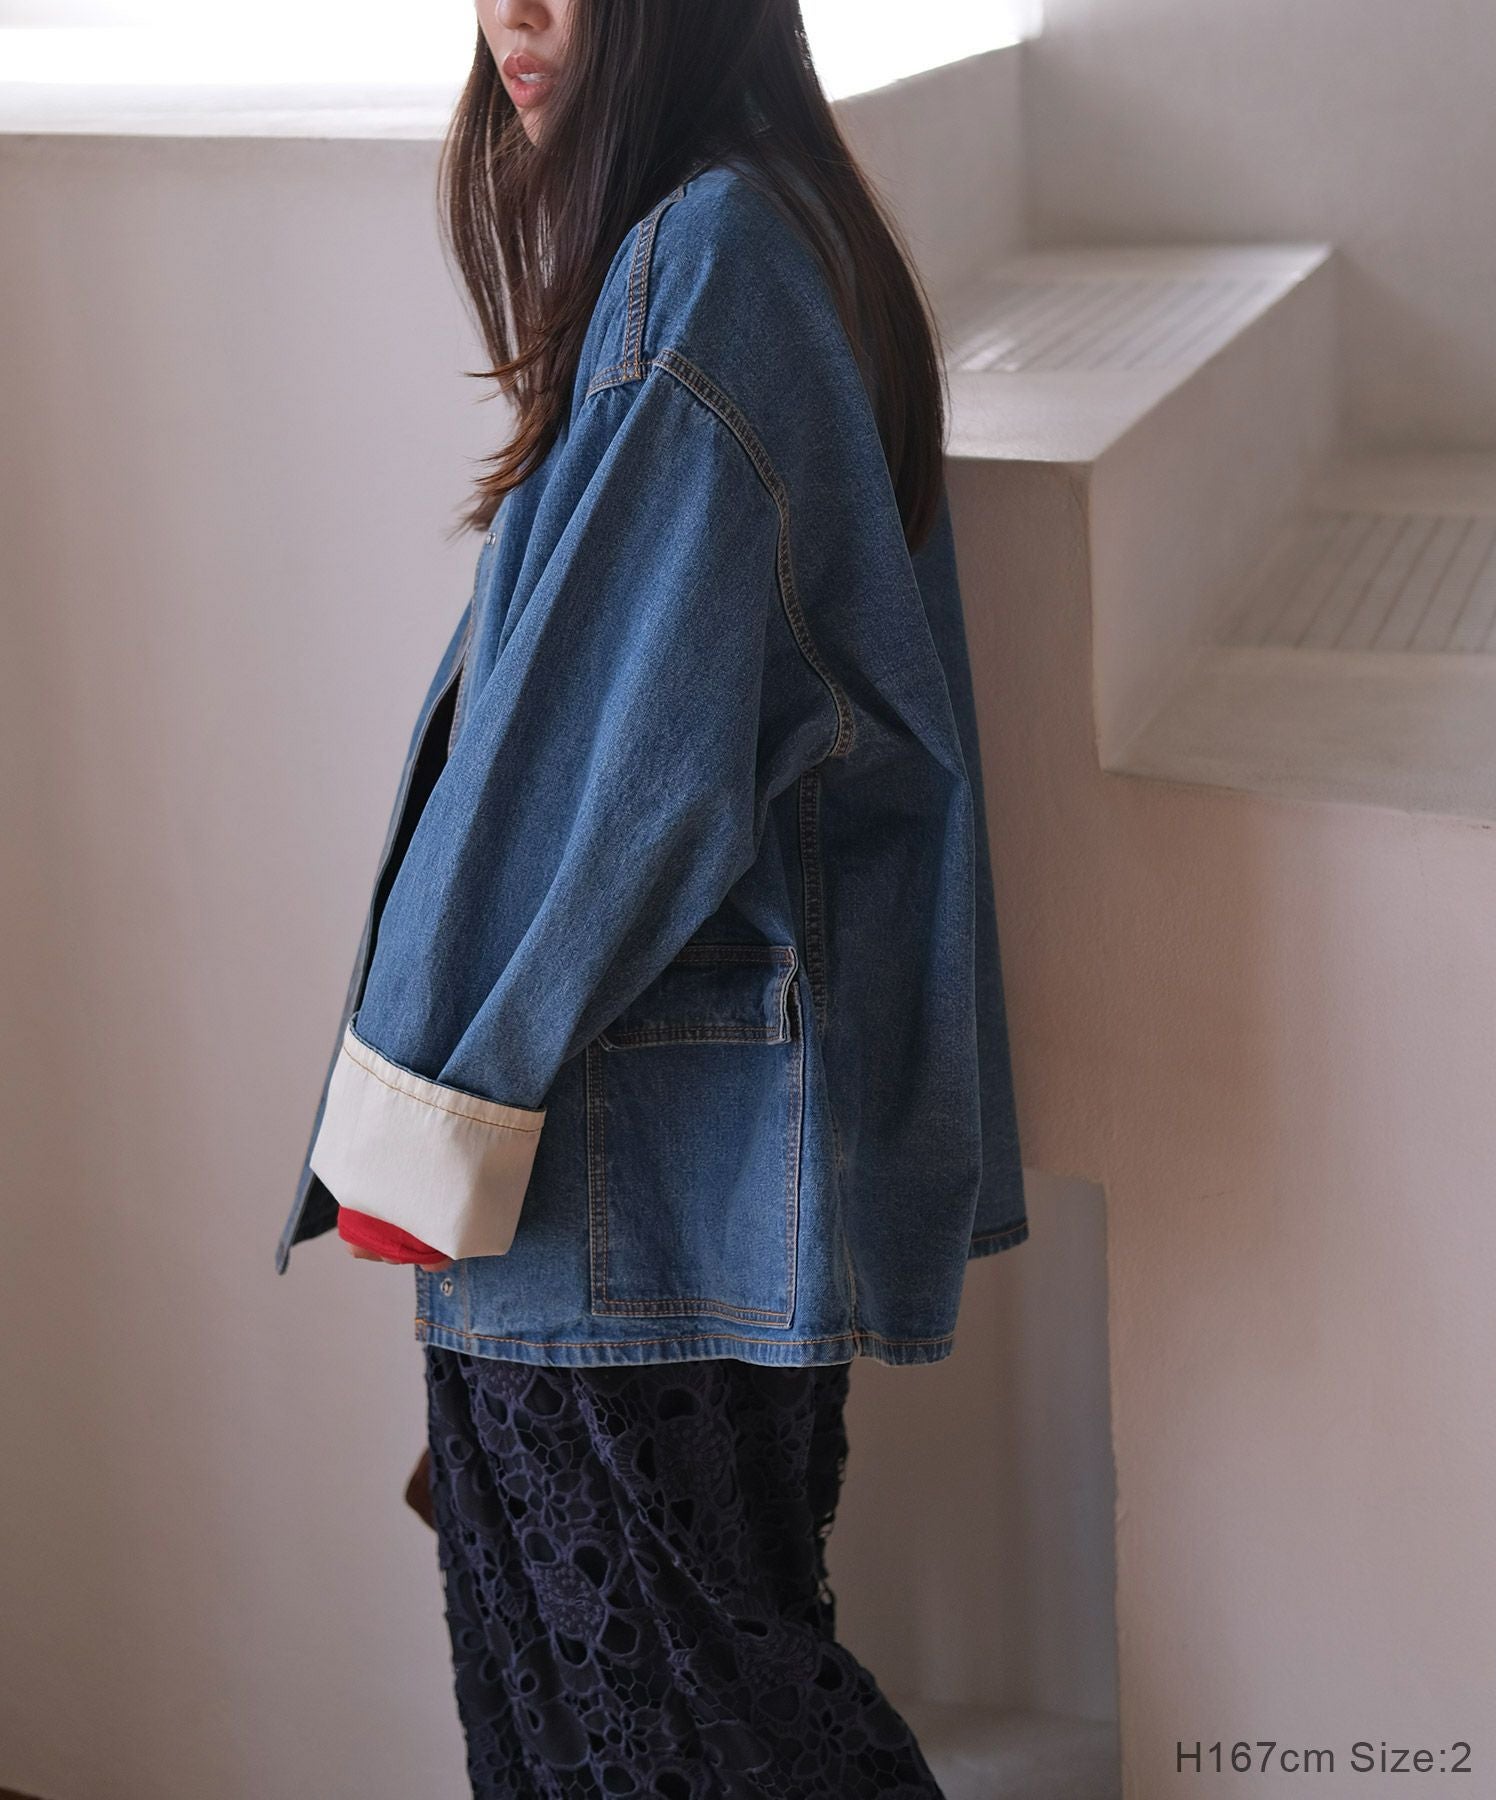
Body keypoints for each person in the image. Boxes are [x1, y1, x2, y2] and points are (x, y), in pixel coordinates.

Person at [273, 1, 1030, 1792]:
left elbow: (605, 775)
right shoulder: (778, 228)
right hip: (682, 1186)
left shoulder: (711, 260)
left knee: (673, 1746)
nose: (512, 16)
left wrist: (414, 1103)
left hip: (616, 1189)